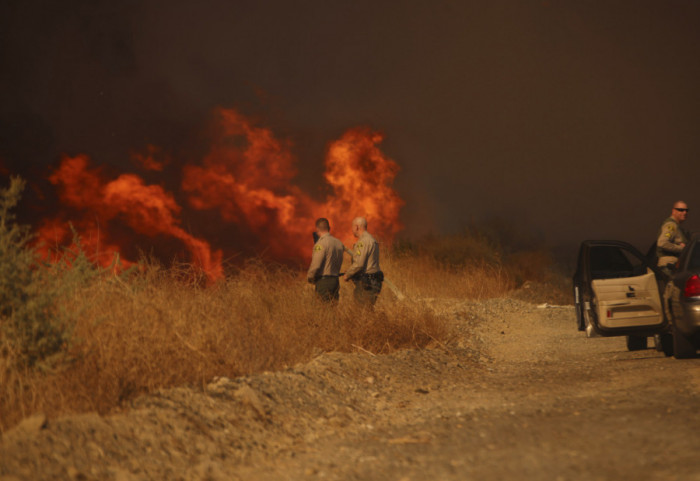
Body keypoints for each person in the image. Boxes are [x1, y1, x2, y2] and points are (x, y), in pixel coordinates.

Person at [343, 217, 383, 306]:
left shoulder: (363, 242)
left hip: (366, 285)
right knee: (367, 310)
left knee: (361, 312)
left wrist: (348, 274)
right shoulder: (371, 239)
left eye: (352, 227)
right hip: (374, 281)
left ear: (357, 227)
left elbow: (359, 264)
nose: (352, 230)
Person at [307, 218, 345, 302]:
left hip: (324, 282)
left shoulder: (320, 244)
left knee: (322, 310)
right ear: (329, 228)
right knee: (333, 309)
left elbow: (316, 265)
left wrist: (310, 277)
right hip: (335, 281)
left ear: (317, 229)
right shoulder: (338, 243)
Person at [656, 200, 690, 276]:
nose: (685, 212)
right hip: (669, 265)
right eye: (681, 210)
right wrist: (681, 248)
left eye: (686, 210)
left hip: (673, 264)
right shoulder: (671, 225)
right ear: (673, 211)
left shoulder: (676, 226)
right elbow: (662, 243)